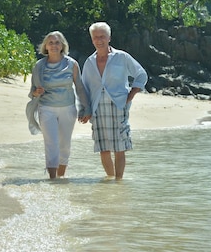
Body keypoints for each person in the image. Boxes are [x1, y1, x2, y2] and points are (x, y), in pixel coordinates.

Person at [81, 22, 147, 180]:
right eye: (96, 37)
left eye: (102, 36)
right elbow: (84, 88)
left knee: (119, 147)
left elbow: (141, 74)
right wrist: (85, 110)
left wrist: (130, 95)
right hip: (97, 107)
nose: (99, 40)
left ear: (109, 38)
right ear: (92, 40)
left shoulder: (122, 57)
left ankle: (119, 182)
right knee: (103, 147)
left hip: (118, 105)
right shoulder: (89, 62)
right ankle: (111, 179)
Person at [28, 31, 91, 179]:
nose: (54, 45)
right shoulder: (39, 66)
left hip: (68, 108)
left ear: (62, 45)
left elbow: (80, 87)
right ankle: (52, 178)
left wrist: (86, 108)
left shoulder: (72, 64)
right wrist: (37, 92)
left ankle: (61, 177)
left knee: (65, 145)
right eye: (51, 42)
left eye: (57, 42)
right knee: (51, 143)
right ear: (45, 46)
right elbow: (32, 93)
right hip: (46, 108)